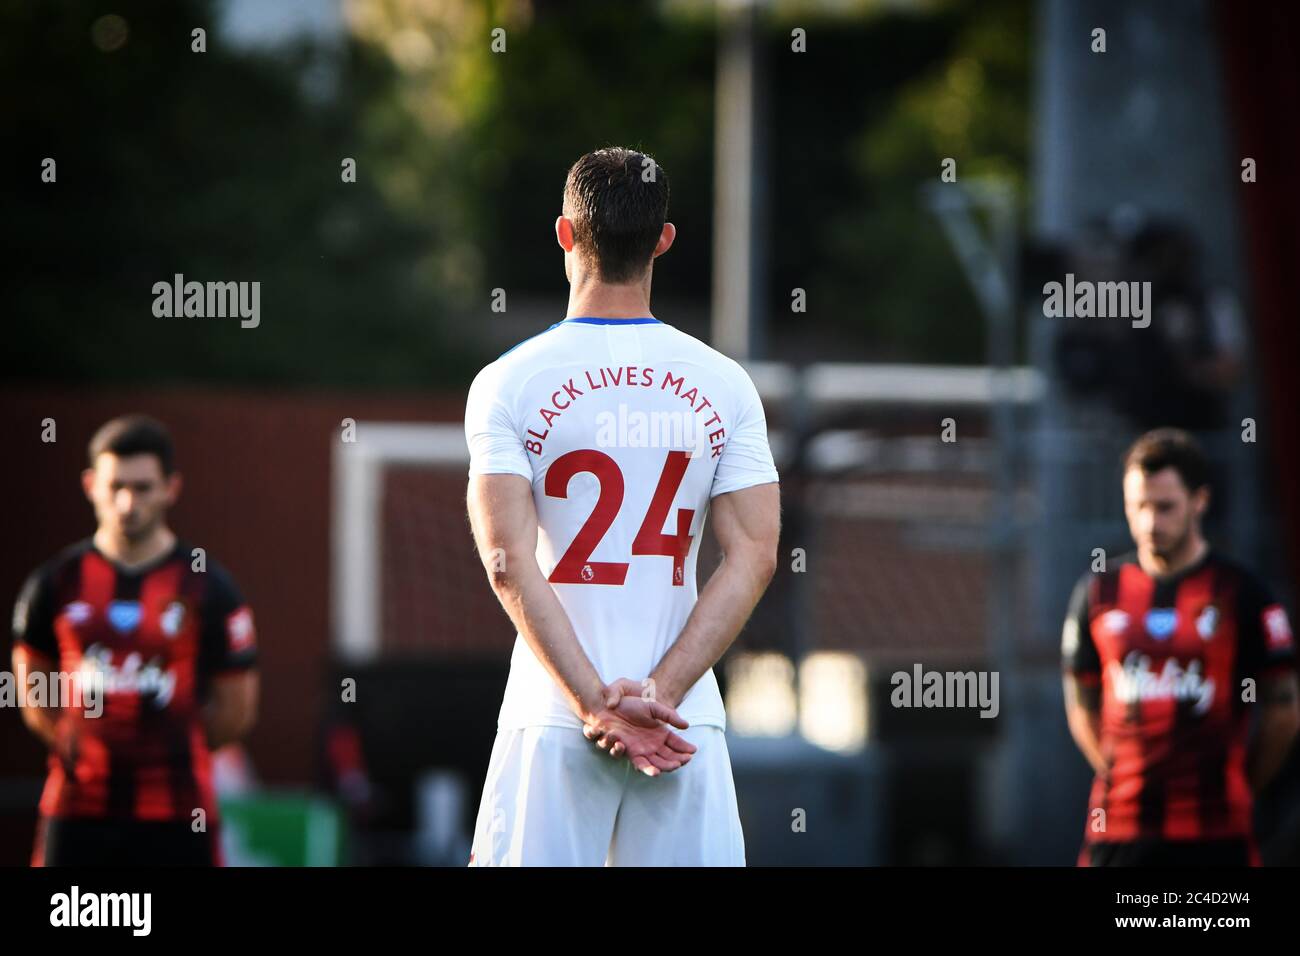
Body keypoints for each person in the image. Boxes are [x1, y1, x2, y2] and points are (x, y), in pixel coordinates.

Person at [463, 147, 780, 865]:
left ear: (565, 235)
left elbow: (506, 563)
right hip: (682, 724)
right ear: (664, 239)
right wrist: (661, 693)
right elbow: (755, 555)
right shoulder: (724, 385)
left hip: (551, 717)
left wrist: (593, 706)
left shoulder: (508, 382)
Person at [11, 415, 259, 865]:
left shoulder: (208, 587)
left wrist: (170, 750)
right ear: (90, 485)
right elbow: (30, 691)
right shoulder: (55, 583)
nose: (127, 503)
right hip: (76, 809)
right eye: (115, 486)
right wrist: (79, 745)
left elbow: (235, 710)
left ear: (171, 488)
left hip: (180, 813)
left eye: (143, 487)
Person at [1061, 428, 1298, 865]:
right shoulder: (1097, 594)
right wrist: (1123, 775)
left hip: (1216, 834)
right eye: (1139, 508)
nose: (1151, 523)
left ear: (1200, 501)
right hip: (1118, 830)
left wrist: (1241, 786)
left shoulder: (1243, 594)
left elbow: (1284, 713)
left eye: (1165, 508)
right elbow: (1082, 706)